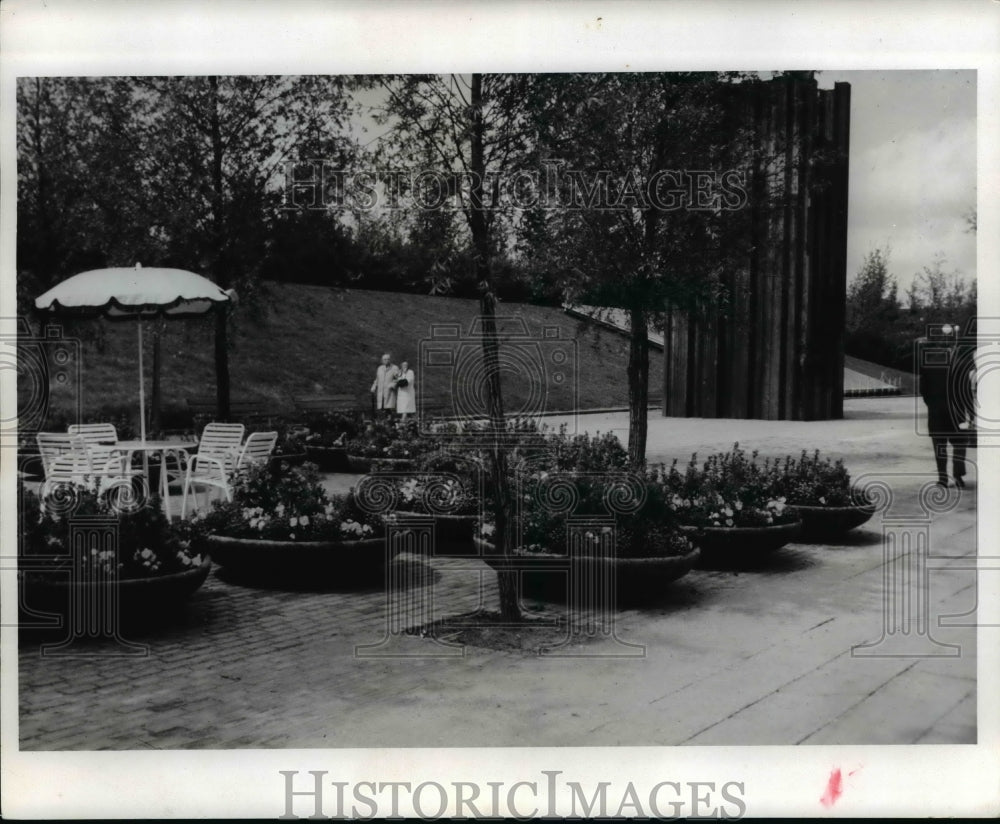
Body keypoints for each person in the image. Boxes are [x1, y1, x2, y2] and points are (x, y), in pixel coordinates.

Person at [918, 325, 969, 488]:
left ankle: (942, 479)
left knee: (939, 445)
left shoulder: (927, 364)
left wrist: (933, 405)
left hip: (936, 412)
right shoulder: (962, 364)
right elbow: (966, 392)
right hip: (958, 413)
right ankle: (958, 477)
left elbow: (923, 391)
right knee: (960, 444)